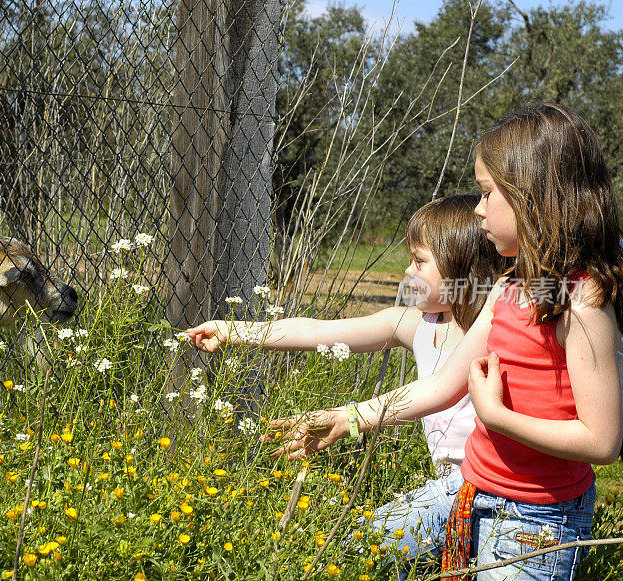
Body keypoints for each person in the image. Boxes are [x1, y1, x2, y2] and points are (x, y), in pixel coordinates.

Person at [263, 103, 623, 581]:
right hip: (469, 489)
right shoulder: (509, 287)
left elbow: (602, 441)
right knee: (352, 553)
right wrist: (349, 418)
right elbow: (441, 385)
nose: (477, 208)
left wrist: (496, 417)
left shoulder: (582, 304)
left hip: (535, 518)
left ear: (531, 198)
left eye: (487, 192)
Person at [186, 194, 506, 477]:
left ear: (463, 267)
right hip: (448, 491)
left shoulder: (498, 335)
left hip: (487, 487)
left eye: (419, 261)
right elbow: (316, 331)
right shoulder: (415, 325)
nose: (408, 271)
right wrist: (235, 330)